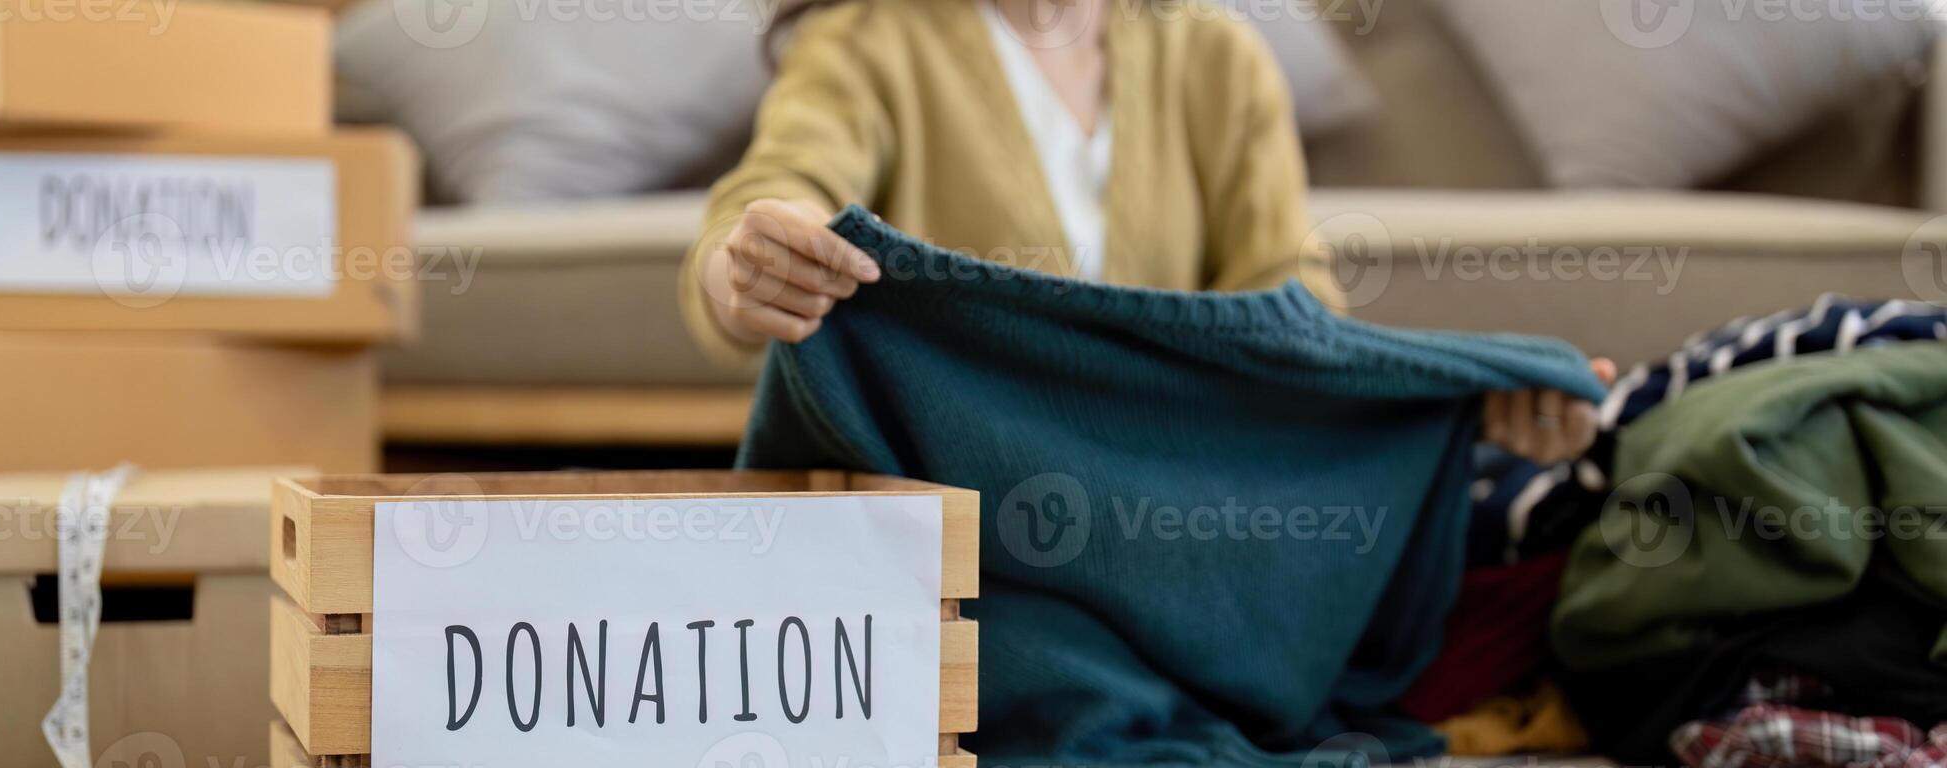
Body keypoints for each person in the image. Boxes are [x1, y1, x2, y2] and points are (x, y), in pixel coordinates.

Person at [679, 0, 1614, 464]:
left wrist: (1466, 402)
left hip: (1163, 490)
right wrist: (751, 266)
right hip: (970, 493)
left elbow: (1296, 319)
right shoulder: (868, 40)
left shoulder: (1217, 57)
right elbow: (773, 193)